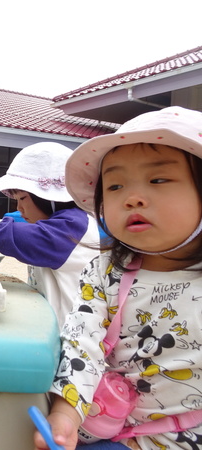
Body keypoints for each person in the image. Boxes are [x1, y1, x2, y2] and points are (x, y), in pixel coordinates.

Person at [36, 106, 202, 450]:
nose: (132, 198)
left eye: (158, 180)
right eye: (114, 185)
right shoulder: (105, 273)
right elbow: (83, 344)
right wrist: (66, 416)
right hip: (113, 433)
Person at [0, 142, 100, 326]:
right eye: (16, 199)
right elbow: (18, 222)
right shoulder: (58, 221)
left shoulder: (75, 225)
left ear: (49, 197)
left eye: (23, 198)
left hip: (72, 335)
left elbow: (34, 239)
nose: (20, 207)